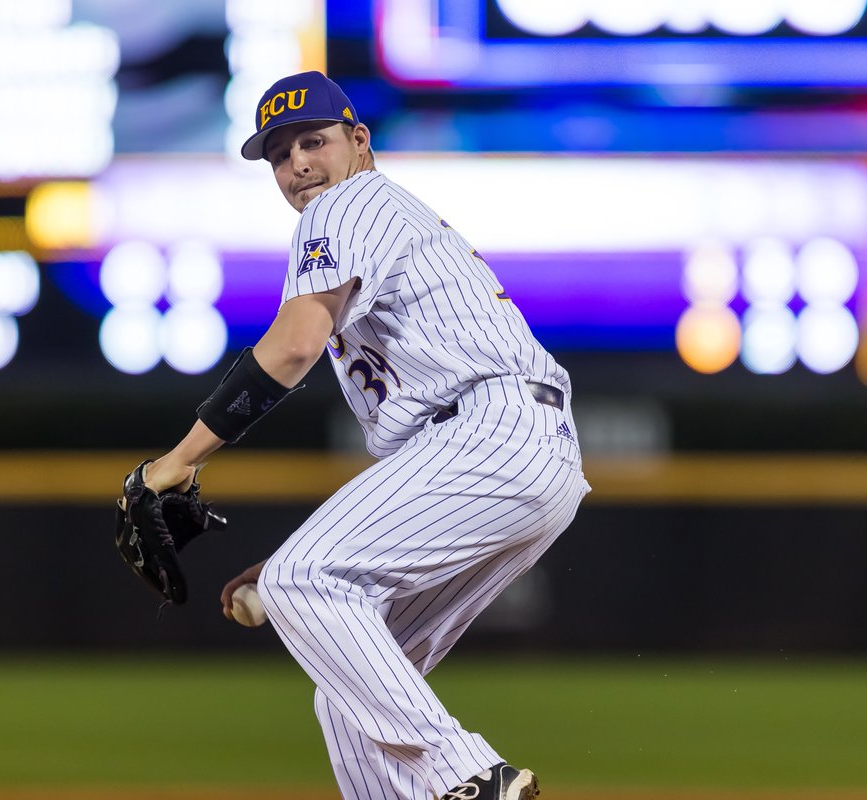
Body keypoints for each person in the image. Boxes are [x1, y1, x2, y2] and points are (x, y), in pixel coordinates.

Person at [141, 71, 589, 800]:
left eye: (312, 142)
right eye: (279, 155)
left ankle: (469, 774)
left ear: (359, 142)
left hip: (493, 430)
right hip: (518, 452)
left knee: (303, 581)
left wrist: (178, 462)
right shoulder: (377, 216)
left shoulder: (348, 204)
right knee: (347, 693)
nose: (297, 166)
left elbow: (292, 347)